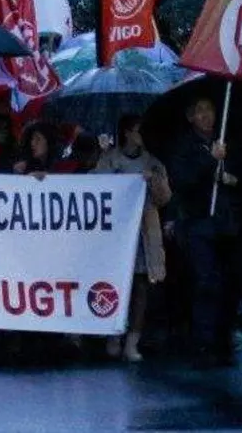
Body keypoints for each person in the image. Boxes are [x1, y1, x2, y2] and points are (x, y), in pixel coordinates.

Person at [167, 96, 242, 367]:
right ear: (191, 117)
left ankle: (224, 340)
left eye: (209, 110)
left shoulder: (225, 141)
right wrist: (210, 162)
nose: (206, 116)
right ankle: (203, 341)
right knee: (205, 282)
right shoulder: (184, 146)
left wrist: (232, 178)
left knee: (229, 282)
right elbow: (182, 180)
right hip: (198, 222)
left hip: (226, 223)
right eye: (199, 111)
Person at [94, 115, 170, 362]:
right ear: (127, 132)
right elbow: (95, 186)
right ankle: (113, 334)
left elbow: (164, 198)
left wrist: (154, 181)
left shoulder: (153, 163)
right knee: (114, 284)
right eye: (138, 130)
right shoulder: (109, 159)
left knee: (140, 286)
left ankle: (132, 342)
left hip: (143, 234)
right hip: (115, 233)